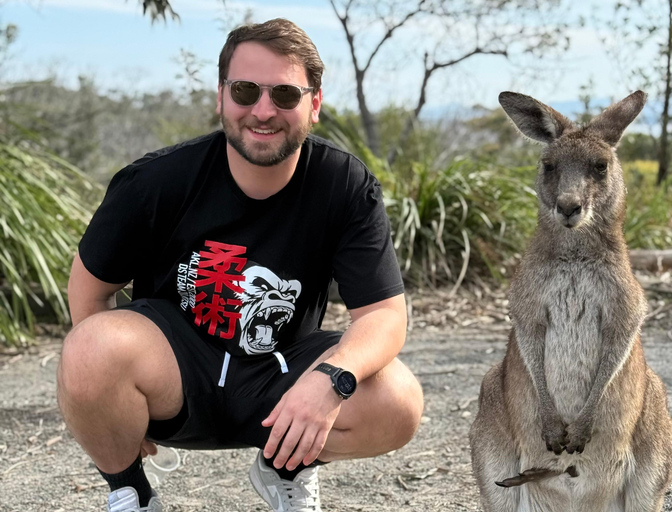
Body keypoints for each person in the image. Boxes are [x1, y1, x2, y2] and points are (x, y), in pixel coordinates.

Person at [57, 18, 423, 512]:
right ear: (221, 97)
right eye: (246, 91)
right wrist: (106, 402)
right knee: (88, 350)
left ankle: (285, 467)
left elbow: (383, 315)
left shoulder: (343, 185)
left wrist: (329, 381)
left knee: (400, 400)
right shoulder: (156, 180)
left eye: (286, 95)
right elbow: (88, 290)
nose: (264, 111)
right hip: (173, 371)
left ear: (314, 104)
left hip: (281, 379)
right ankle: (132, 493)